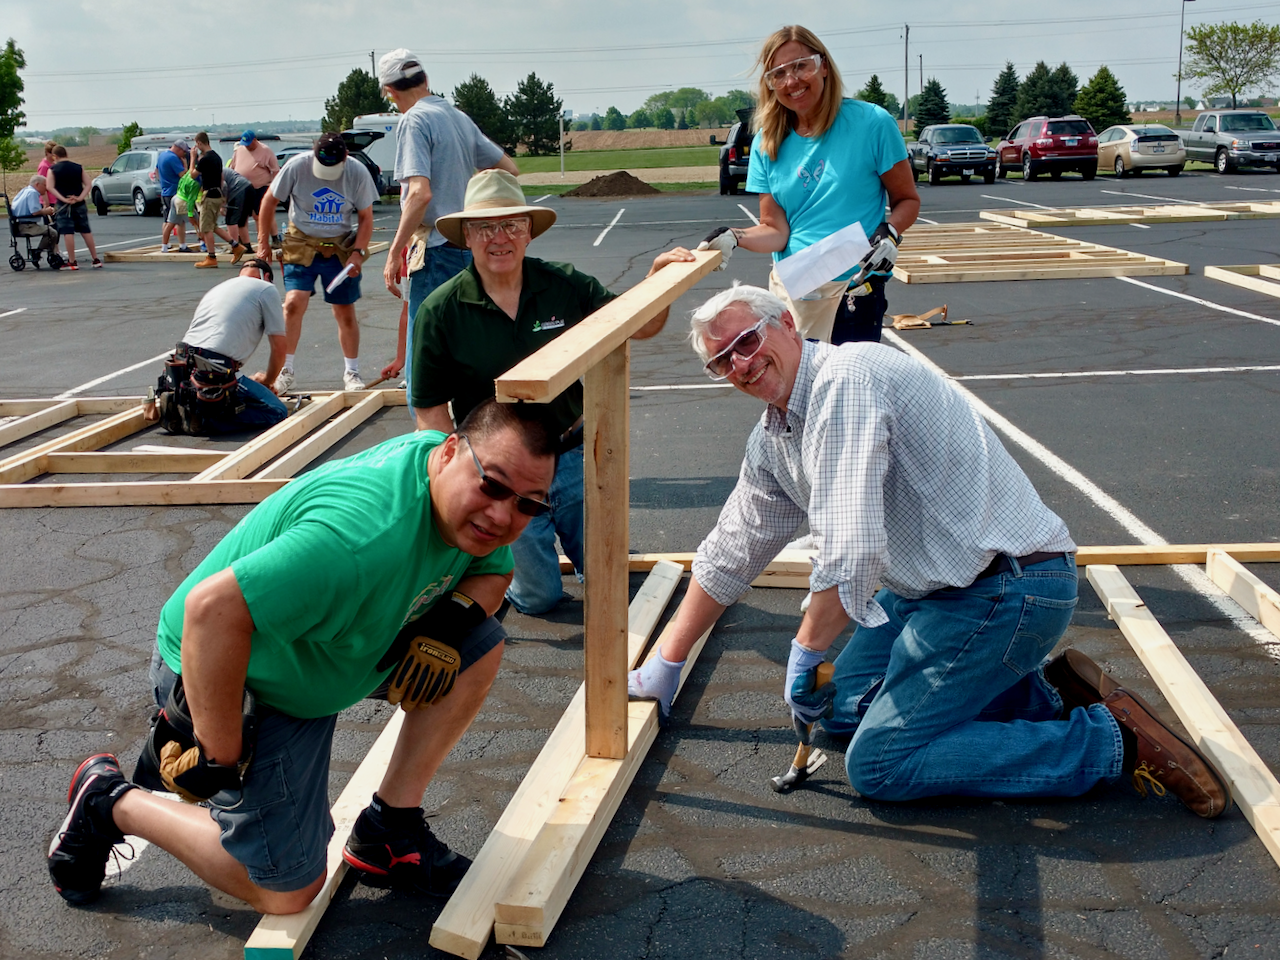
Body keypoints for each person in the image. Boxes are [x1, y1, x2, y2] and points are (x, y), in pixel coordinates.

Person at [627, 284, 1230, 820]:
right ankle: (1041, 695)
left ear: (787, 322)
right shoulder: (775, 434)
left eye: (747, 340)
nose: (742, 363)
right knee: (839, 711)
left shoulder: (846, 377)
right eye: (722, 360)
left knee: (882, 765)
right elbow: (733, 547)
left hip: (1010, 588)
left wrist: (806, 649)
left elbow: (853, 549)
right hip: (933, 594)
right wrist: (667, 666)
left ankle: (1108, 741)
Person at [47, 399, 558, 913]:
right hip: (240, 675)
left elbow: (494, 572)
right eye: (491, 486)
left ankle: (388, 830)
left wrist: (446, 629)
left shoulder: (459, 498)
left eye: (528, 505)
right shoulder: (357, 540)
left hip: (330, 649)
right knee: (285, 891)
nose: (501, 515)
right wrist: (218, 755)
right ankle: (110, 801)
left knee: (476, 645)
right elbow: (212, 613)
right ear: (450, 451)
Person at [412, 169, 695, 615]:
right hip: (501, 475)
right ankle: (502, 574)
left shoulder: (563, 285)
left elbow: (637, 327)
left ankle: (576, 557)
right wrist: (463, 482)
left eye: (510, 225)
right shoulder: (440, 310)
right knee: (540, 599)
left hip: (571, 455)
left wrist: (657, 284)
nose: (499, 237)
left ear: (528, 232)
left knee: (609, 579)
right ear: (466, 236)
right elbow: (429, 410)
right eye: (485, 227)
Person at [697, 26, 919, 345]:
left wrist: (891, 233)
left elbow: (907, 200)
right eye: (779, 73)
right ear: (770, 84)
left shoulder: (871, 123)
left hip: (852, 292)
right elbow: (775, 230)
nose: (792, 81)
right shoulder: (766, 143)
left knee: (842, 393)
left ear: (823, 66)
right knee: (791, 395)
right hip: (793, 292)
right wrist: (736, 236)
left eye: (801, 66)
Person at [377, 48, 519, 407]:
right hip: (469, 245)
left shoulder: (413, 121)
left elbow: (419, 194)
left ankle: (429, 445)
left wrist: (394, 253)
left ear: (390, 92)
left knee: (426, 352)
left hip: (437, 248)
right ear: (425, 80)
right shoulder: (457, 116)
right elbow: (508, 168)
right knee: (472, 343)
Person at [259, 133, 376, 393]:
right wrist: (263, 242)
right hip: (301, 242)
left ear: (344, 159)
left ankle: (352, 372)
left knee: (344, 310)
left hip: (340, 245)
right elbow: (269, 200)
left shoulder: (356, 172)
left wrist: (358, 252)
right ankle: (286, 370)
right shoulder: (297, 166)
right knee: (292, 303)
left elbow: (366, 217)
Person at [143, 259, 289, 435]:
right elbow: (280, 349)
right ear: (266, 276)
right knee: (275, 410)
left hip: (181, 360)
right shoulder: (266, 288)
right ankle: (205, 420)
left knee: (226, 388)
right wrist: (267, 381)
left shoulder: (221, 287)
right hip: (214, 366)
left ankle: (185, 404)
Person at [46, 144, 101, 270]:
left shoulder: (53, 169)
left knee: (67, 231)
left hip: (64, 204)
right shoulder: (78, 167)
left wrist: (63, 199)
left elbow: (50, 187)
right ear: (66, 154)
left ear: (55, 156)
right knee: (85, 230)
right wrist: (80, 197)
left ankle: (72, 261)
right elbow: (88, 184)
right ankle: (95, 259)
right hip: (79, 203)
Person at [229, 130, 279, 248]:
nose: (247, 146)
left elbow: (275, 170)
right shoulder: (240, 150)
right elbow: (232, 167)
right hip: (242, 188)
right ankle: (245, 244)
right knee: (242, 216)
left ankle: (273, 239)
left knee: (262, 215)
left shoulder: (266, 151)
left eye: (249, 143)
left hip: (261, 186)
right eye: (245, 144)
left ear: (255, 140)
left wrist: (274, 188)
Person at [10, 174, 60, 260]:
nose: (46, 188)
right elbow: (35, 211)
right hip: (27, 226)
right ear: (37, 184)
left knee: (49, 230)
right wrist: (46, 211)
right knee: (52, 232)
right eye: (45, 185)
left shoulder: (24, 191)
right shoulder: (33, 193)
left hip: (18, 224)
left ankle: (38, 251)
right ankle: (39, 252)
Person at [158, 141, 190, 252]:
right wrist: (185, 164)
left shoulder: (162, 155)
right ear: (178, 149)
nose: (184, 155)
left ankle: (166, 244)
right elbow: (183, 175)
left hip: (165, 191)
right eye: (184, 152)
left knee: (167, 220)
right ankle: (182, 245)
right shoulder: (173, 158)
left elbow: (156, 171)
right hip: (175, 192)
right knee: (179, 221)